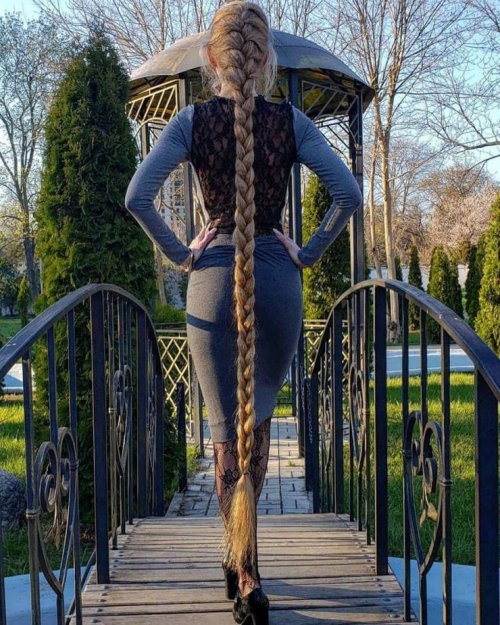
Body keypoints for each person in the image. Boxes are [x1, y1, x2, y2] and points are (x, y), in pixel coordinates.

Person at [125, 2, 363, 623]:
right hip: (277, 282)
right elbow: (348, 193)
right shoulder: (292, 121)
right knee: (257, 428)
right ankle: (249, 566)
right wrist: (307, 251)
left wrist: (182, 252)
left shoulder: (190, 120)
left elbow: (137, 196)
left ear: (211, 60)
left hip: (210, 285)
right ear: (267, 60)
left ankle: (241, 567)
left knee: (224, 434)